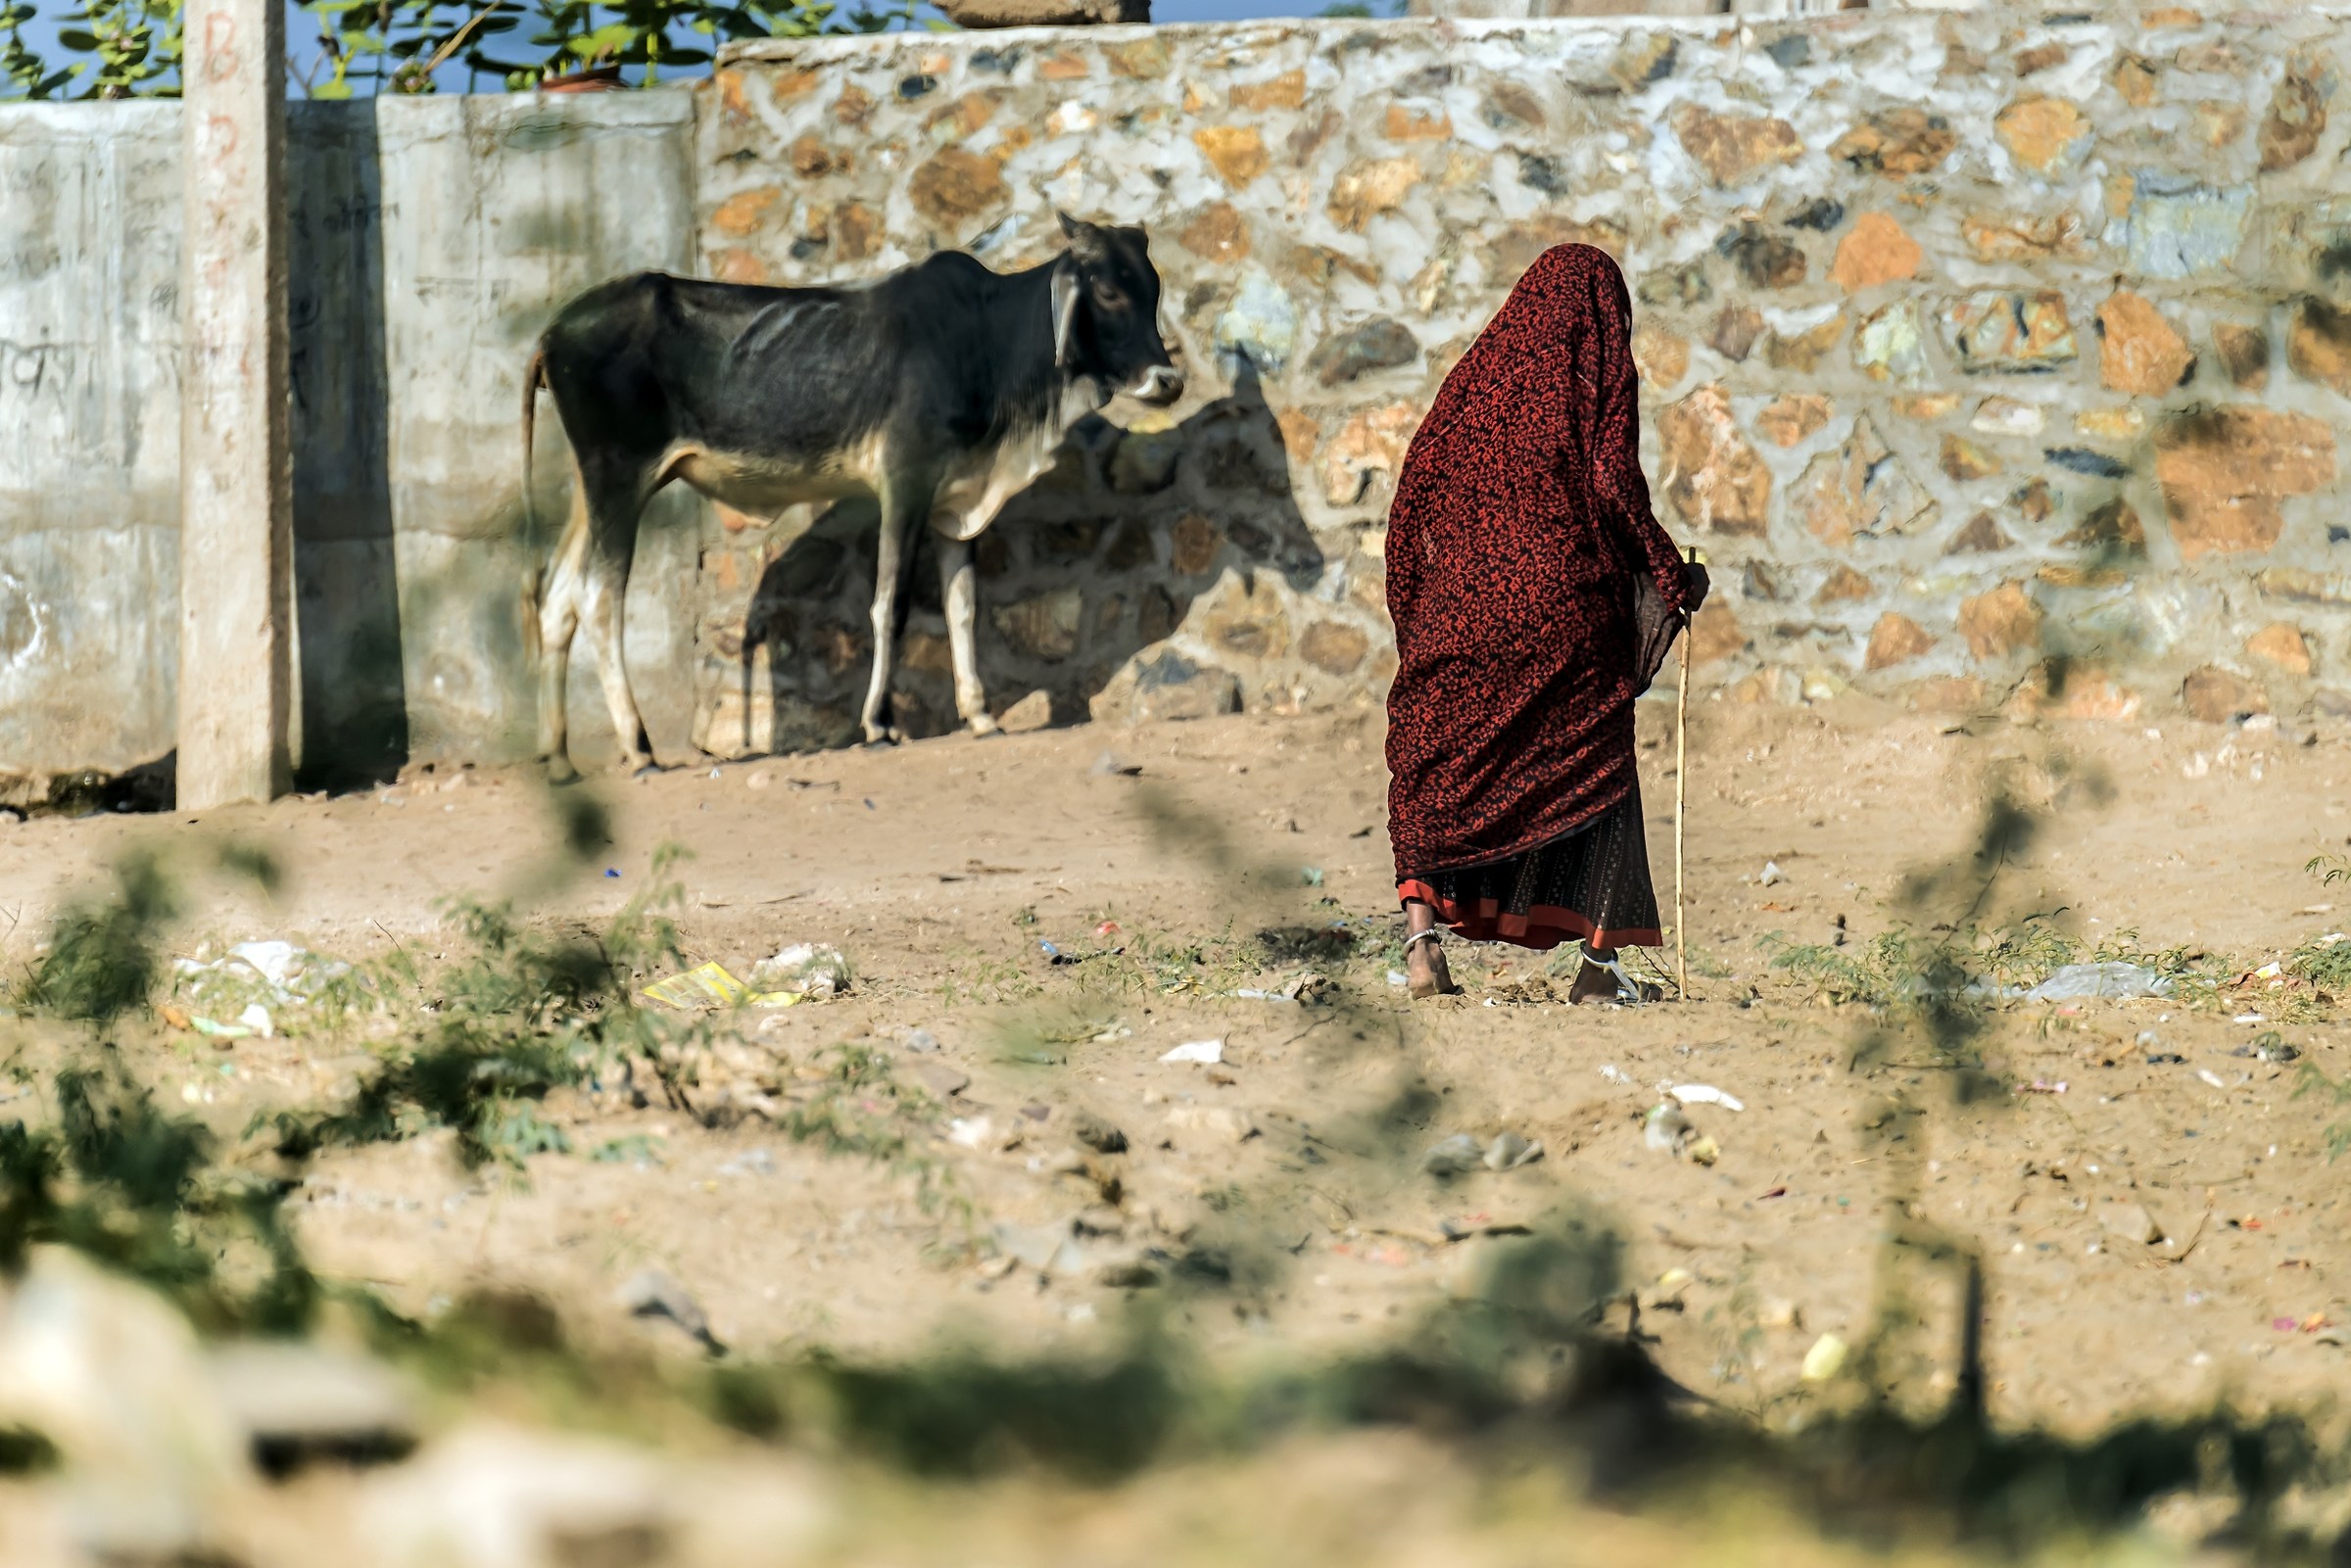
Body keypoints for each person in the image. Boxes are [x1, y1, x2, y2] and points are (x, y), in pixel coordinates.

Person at [1383, 244, 1707, 1003]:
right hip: (1565, 612)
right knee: (1596, 759)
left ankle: (1422, 945)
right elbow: (1612, 483)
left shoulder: (1466, 392)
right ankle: (1598, 967)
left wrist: (1421, 622)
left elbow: (1409, 508)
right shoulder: (1592, 370)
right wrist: (1670, 574)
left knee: (1432, 770)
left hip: (1457, 618)